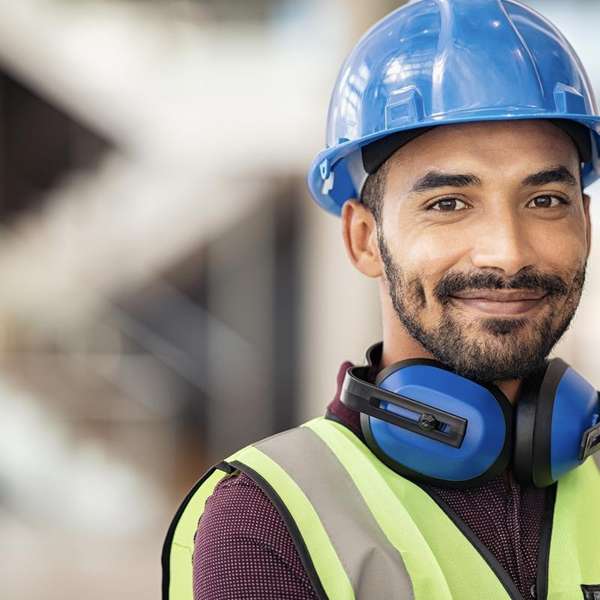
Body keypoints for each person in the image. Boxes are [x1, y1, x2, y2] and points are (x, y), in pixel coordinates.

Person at [162, 1, 600, 598]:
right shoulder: (267, 522)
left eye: (545, 200)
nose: (507, 252)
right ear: (363, 239)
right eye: (448, 203)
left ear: (587, 225)